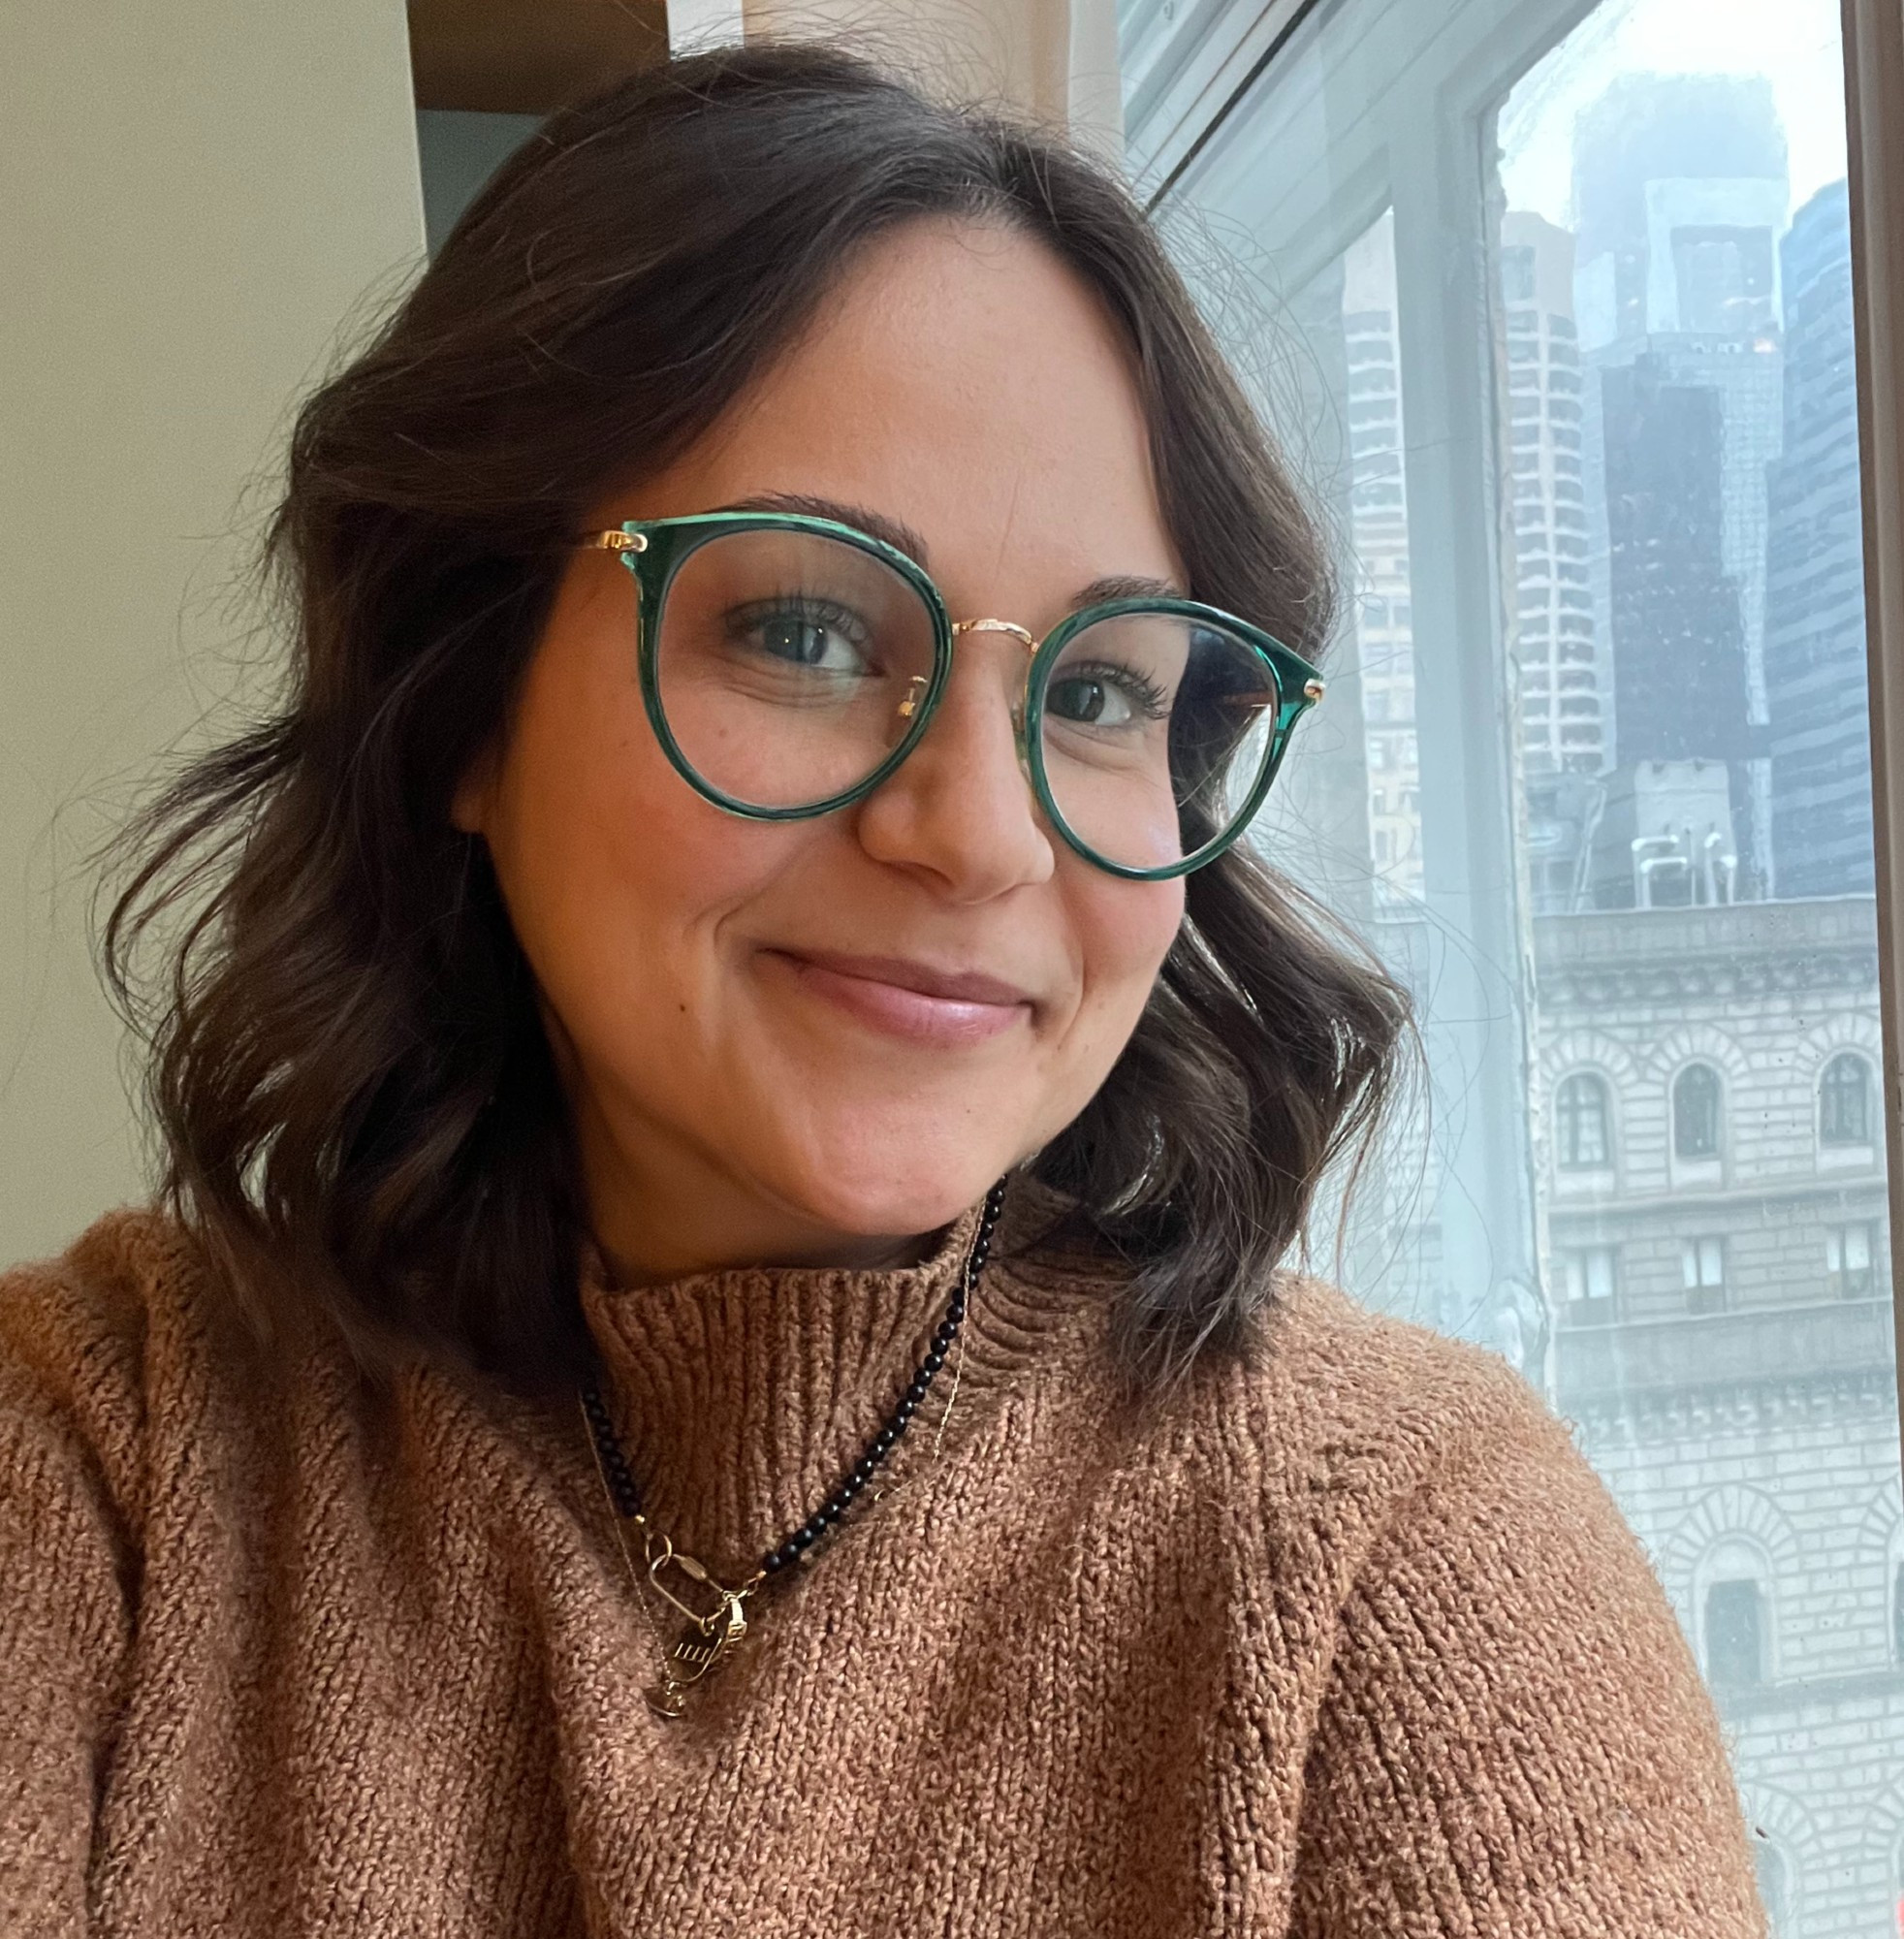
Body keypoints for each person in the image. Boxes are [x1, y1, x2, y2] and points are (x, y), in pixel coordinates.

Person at [0, 43, 1763, 1937]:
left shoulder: (1401, 1547)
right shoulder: (109, 1462)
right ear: (464, 696)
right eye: (807, 628)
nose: (979, 834)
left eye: (1097, 690)